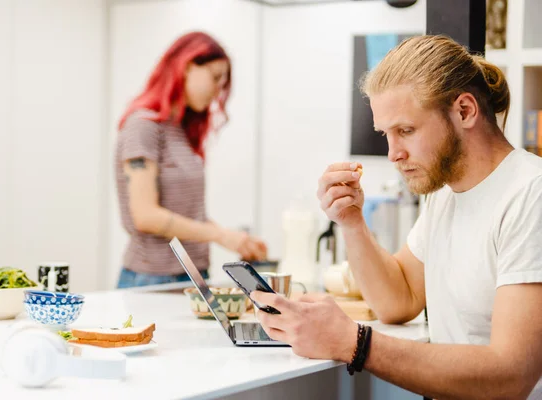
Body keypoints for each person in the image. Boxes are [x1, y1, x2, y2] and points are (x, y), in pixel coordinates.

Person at [252, 35, 542, 399]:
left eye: (405, 131)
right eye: (386, 134)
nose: (393, 153)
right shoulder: (445, 195)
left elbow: (510, 376)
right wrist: (352, 222)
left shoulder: (531, 194)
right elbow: (397, 300)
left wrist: (353, 342)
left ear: (465, 110)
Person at [114, 32, 267, 289]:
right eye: (215, 77)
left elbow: (187, 215)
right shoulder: (144, 126)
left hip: (192, 276)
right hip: (152, 280)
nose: (219, 89)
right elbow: (145, 216)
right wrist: (221, 236)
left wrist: (236, 238)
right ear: (186, 66)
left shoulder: (179, 130)